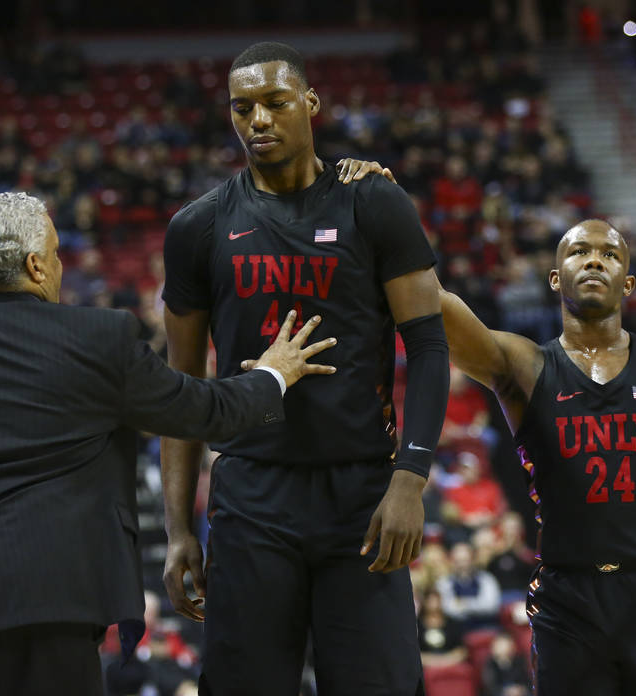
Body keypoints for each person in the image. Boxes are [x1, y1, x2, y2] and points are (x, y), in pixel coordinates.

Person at [0, 191, 338, 696]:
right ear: (34, 266)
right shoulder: (98, 340)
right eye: (54, 252)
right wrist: (274, 375)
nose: (58, 265)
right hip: (43, 604)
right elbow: (206, 413)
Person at [161, 42, 449, 695]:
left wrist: (409, 482)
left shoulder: (372, 203)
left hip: (362, 496)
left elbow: (428, 347)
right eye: (242, 108)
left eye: (274, 102)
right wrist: (180, 530)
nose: (257, 120)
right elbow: (179, 392)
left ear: (310, 103)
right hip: (251, 496)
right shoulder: (198, 229)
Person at [431, 218, 636, 694]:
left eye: (608, 254)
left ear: (627, 283)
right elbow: (437, 306)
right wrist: (390, 221)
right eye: (579, 251)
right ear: (555, 277)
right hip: (568, 597)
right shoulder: (525, 366)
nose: (593, 260)